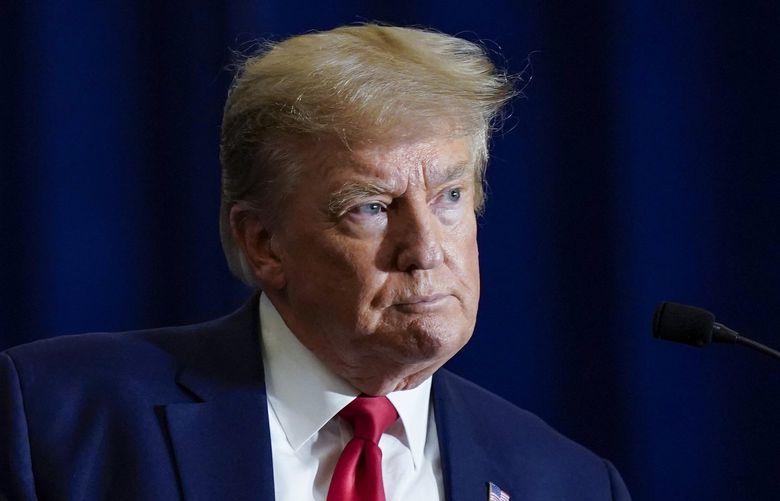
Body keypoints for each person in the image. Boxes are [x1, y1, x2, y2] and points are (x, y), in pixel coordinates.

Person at [0, 24, 630, 500]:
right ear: (263, 243)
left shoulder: (568, 481)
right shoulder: (61, 416)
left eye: (450, 197)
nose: (426, 250)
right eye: (372, 207)